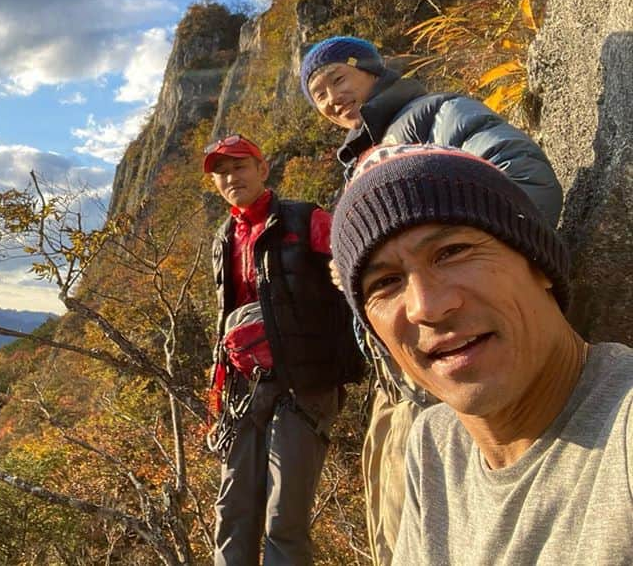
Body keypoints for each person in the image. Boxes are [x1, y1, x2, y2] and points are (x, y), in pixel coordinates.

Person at [299, 35, 564, 565]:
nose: (332, 99)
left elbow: (527, 182)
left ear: (370, 70)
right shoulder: (359, 163)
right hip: (409, 382)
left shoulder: (432, 115)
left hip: (472, 364)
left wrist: (468, 264)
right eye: (319, 94)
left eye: (337, 79)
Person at [331, 144, 632, 566]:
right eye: (385, 282)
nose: (427, 307)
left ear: (538, 262)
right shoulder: (436, 444)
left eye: (452, 252)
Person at [203, 134, 362, 566]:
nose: (231, 177)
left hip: (302, 385)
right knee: (232, 513)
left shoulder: (304, 218)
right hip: (243, 389)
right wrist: (218, 394)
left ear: (262, 169)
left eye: (239, 167)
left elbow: (356, 275)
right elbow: (227, 317)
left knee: (283, 518)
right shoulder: (223, 239)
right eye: (222, 172)